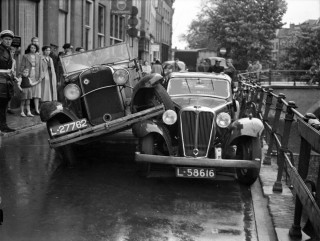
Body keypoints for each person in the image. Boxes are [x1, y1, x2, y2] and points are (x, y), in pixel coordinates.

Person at [0, 30, 16, 132]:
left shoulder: (8, 50)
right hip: (1, 80)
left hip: (6, 81)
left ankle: (3, 125)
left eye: (10, 39)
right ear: (1, 39)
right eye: (6, 39)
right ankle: (3, 126)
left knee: (3, 105)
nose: (8, 41)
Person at [20, 43, 42, 115]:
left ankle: (36, 109)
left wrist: (40, 76)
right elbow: (22, 66)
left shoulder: (39, 56)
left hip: (36, 75)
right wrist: (21, 75)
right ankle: (27, 110)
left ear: (36, 49)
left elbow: (40, 67)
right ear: (29, 48)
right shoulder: (25, 56)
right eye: (32, 48)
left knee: (36, 93)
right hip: (28, 75)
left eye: (34, 48)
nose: (33, 49)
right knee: (27, 93)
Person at [7, 46, 17, 114]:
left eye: (13, 52)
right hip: (4, 77)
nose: (12, 53)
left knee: (10, 93)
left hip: (11, 78)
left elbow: (14, 70)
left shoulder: (14, 60)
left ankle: (9, 108)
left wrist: (15, 77)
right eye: (11, 52)